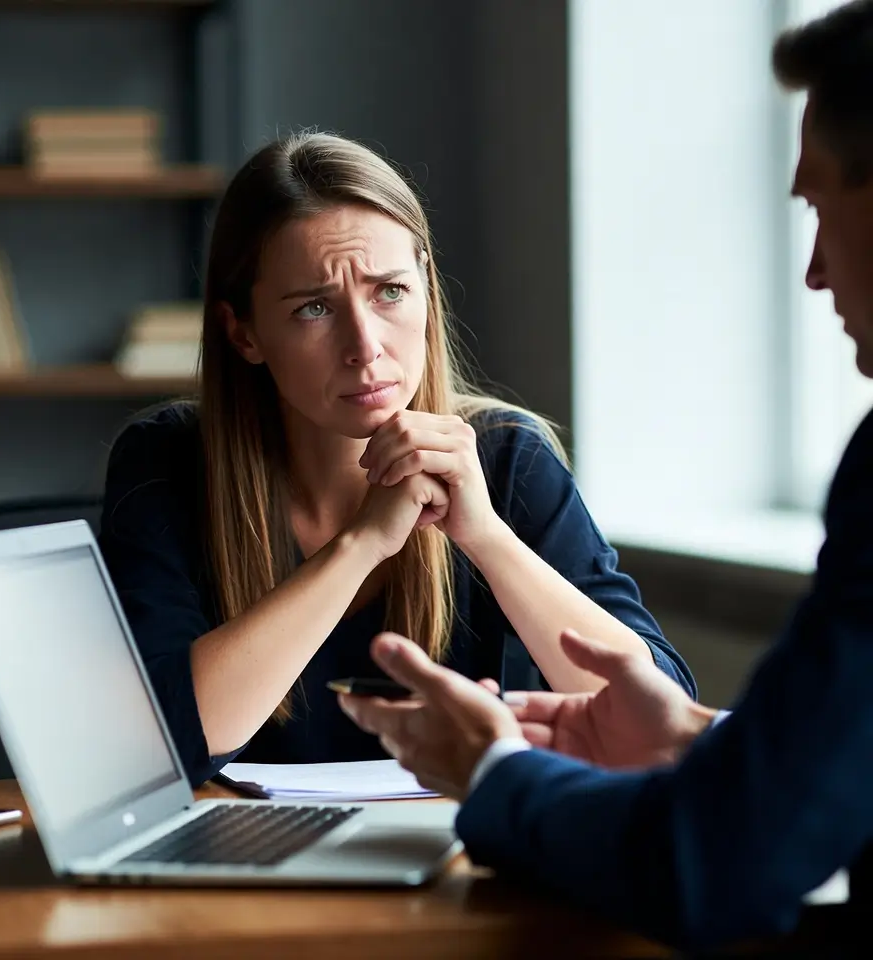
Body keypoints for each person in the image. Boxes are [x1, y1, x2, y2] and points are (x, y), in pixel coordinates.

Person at [338, 0, 873, 949]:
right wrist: (695, 743)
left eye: (820, 203)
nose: (815, 273)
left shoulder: (508, 458)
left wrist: (497, 775)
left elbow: (711, 864)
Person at [99, 131, 694, 788]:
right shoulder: (169, 460)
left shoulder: (507, 457)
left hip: (462, 863)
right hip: (240, 875)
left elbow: (657, 721)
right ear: (244, 333)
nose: (365, 345)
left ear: (426, 290)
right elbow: (163, 740)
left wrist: (486, 537)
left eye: (389, 292)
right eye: (315, 308)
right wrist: (361, 545)